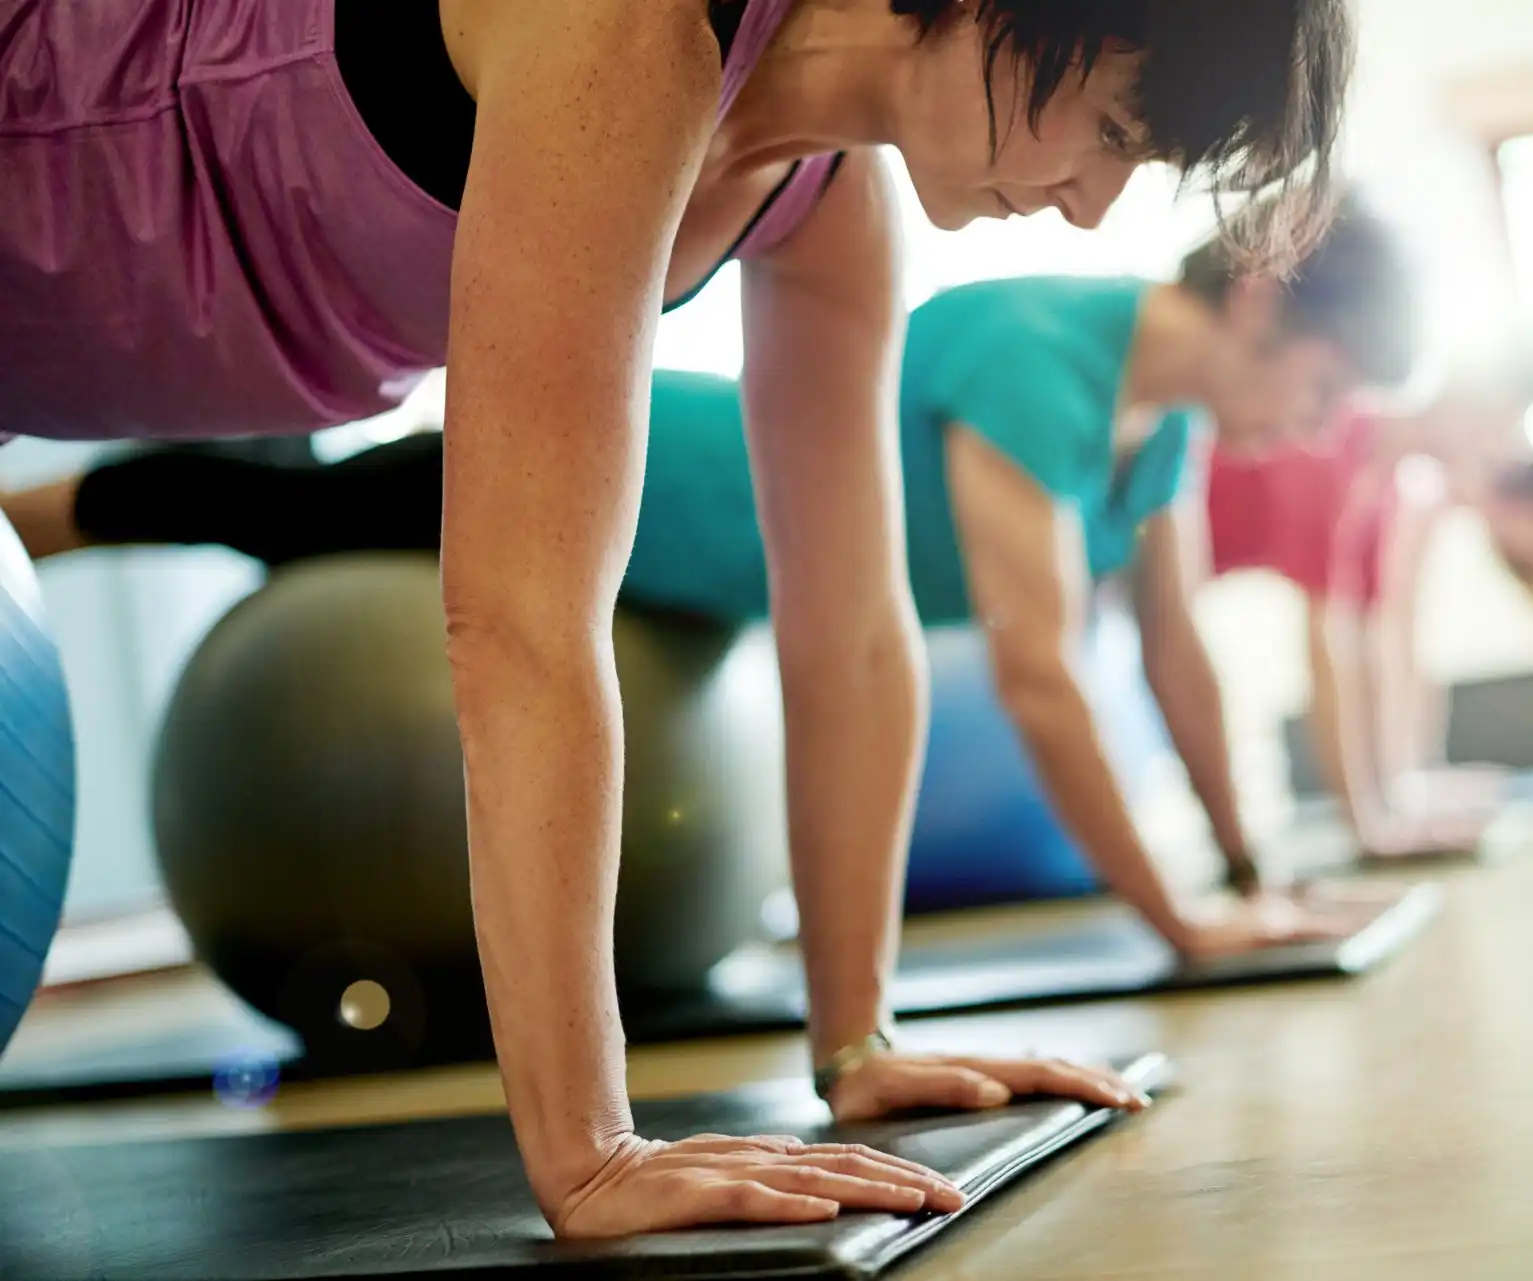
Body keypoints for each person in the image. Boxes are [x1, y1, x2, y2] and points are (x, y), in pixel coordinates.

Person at [0, 0, 1356, 1236]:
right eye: (1115, 128)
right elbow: (523, 621)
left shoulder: (827, 202)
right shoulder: (625, 29)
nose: (1091, 207)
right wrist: (590, 1149)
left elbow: (853, 630)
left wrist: (856, 1039)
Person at [6, 196, 1416, 961]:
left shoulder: (1158, 432)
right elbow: (1040, 671)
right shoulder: (1046, 348)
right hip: (605, 469)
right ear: (1261, 298)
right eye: (1325, 382)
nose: (1315, 420)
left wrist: (1254, 877)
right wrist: (1181, 929)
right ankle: (30, 518)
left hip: (684, 598)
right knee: (266, 510)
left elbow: (1176, 660)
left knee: (277, 510)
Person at [1208, 335, 1533, 860]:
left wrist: (1402, 794)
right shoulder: (1335, 440)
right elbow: (1327, 649)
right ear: (1464, 402)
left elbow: (1380, 649)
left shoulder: (1387, 491)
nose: (1504, 450)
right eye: (1503, 425)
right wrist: (1368, 825)